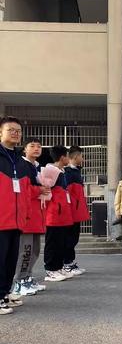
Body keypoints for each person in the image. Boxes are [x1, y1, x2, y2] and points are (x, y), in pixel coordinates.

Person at [0, 117, 32, 314]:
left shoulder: (20, 161)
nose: (15, 133)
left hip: (16, 220)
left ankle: (4, 293)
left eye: (18, 130)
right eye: (10, 129)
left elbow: (26, 189)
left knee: (10, 260)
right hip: (1, 218)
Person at [12, 137, 49, 296]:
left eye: (39, 146)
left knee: (34, 250)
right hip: (27, 215)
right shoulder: (21, 165)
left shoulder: (36, 167)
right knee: (25, 250)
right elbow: (22, 190)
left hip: (36, 214)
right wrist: (39, 190)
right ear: (24, 149)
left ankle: (27, 278)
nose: (36, 148)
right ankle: (18, 282)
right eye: (32, 146)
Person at [44, 145, 75, 282]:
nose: (69, 158)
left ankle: (58, 266)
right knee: (52, 242)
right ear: (62, 157)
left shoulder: (61, 171)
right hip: (54, 213)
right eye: (67, 156)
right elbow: (45, 190)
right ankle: (51, 269)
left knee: (61, 242)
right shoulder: (50, 170)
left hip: (62, 213)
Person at [63, 145, 90, 275]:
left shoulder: (76, 171)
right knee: (69, 238)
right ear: (75, 157)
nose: (83, 159)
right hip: (70, 211)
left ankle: (70, 262)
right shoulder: (67, 172)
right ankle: (66, 263)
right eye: (81, 156)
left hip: (76, 210)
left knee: (74, 238)